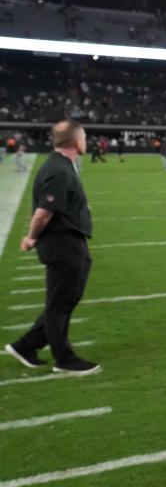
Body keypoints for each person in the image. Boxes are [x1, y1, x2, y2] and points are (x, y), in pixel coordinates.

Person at [4, 120, 100, 375]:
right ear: (76, 141)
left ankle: (26, 345)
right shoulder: (58, 170)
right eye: (85, 137)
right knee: (59, 303)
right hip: (61, 243)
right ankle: (64, 358)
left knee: (67, 296)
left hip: (72, 241)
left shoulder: (63, 166)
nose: (86, 141)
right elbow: (43, 213)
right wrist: (31, 237)